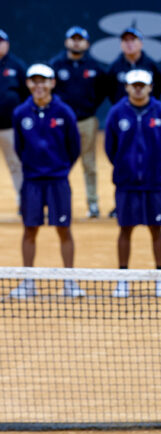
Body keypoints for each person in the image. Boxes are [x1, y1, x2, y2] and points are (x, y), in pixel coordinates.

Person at [10, 64, 82, 298]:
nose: (39, 86)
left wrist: (59, 169)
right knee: (30, 230)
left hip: (58, 181)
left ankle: (69, 282)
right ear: (28, 84)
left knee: (63, 229)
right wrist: (34, 168)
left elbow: (74, 148)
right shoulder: (20, 113)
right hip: (31, 181)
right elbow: (19, 148)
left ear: (52, 83)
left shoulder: (64, 112)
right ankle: (28, 282)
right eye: (34, 81)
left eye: (44, 81)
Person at [104, 69, 161, 298]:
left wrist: (157, 168)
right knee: (125, 229)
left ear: (150, 87)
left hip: (154, 184)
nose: (137, 88)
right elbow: (110, 148)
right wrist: (125, 168)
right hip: (126, 184)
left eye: (142, 85)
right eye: (133, 84)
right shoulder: (116, 113)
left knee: (156, 230)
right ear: (126, 87)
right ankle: (123, 279)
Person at [50, 26, 108, 218]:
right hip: (62, 124)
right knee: (60, 163)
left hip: (87, 121)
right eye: (72, 39)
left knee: (89, 164)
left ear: (87, 43)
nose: (76, 42)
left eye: (80, 39)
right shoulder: (56, 65)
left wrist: (90, 107)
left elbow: (102, 91)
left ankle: (93, 204)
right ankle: (58, 202)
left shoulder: (94, 67)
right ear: (66, 42)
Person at [0, 29, 28, 212]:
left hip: (9, 126)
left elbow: (27, 93)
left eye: (0, 41)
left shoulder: (17, 66)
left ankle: (24, 202)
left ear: (7, 44)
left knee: (16, 164)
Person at [106, 27, 159, 106]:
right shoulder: (115, 66)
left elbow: (160, 88)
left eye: (133, 39)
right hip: (122, 112)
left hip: (148, 110)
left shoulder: (150, 65)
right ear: (121, 44)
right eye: (125, 40)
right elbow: (109, 90)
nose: (129, 43)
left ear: (141, 43)